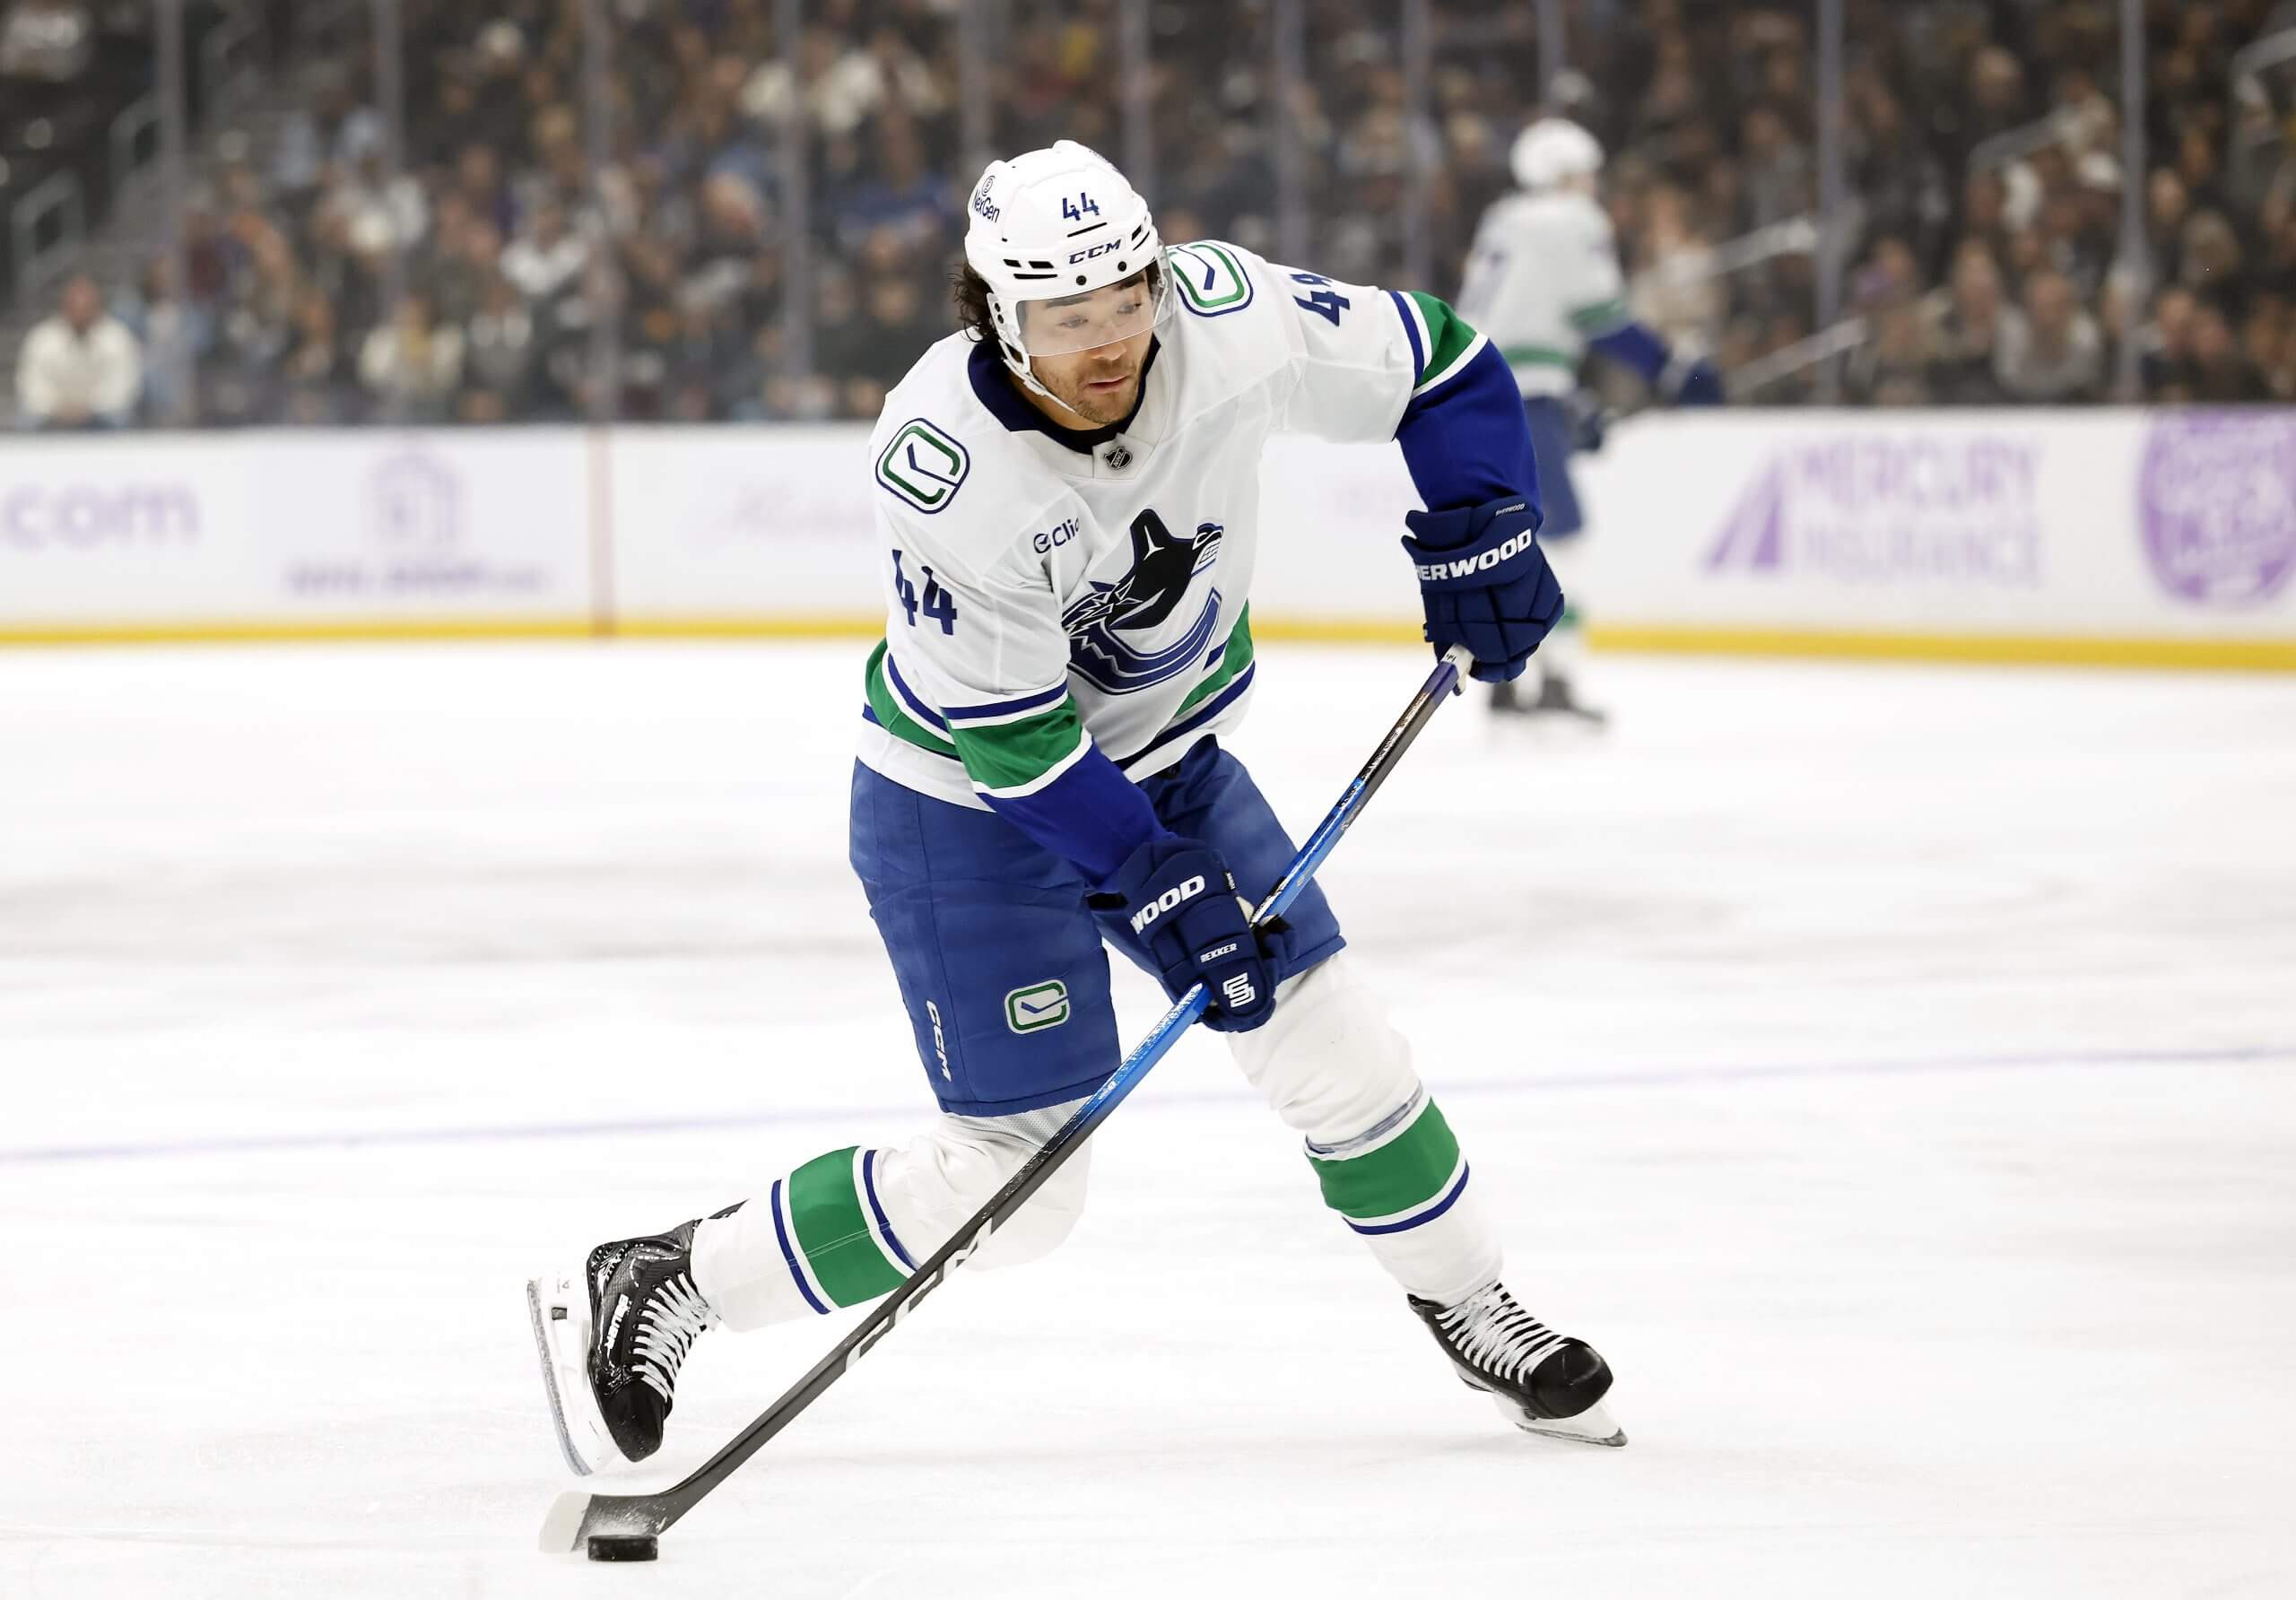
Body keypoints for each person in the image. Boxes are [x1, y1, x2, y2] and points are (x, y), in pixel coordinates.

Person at [528, 141, 1622, 1474]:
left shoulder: (1227, 316)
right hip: (970, 810)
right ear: (996, 311)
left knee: (1340, 1050)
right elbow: (1016, 740)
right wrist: (1154, 877)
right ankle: (680, 1275)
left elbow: (1441, 360)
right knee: (1019, 1176)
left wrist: (1485, 515)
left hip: (1171, 762)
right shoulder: (946, 464)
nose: (1112, 340)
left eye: (1127, 299)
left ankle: (1468, 1296)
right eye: (1068, 316)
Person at [1456, 117, 1723, 726]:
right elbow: (1602, 317)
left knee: (1509, 539)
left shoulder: (1503, 219)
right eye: (1585, 176)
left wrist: (1571, 401)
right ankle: (1556, 677)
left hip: (1479, 393)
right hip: (1526, 396)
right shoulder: (1569, 220)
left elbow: (1521, 320)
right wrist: (1671, 369)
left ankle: (1503, 680)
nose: (1594, 189)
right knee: (1565, 538)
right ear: (1563, 176)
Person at [13, 274, 143, 430]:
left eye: (86, 307)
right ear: (65, 307)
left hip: (101, 416)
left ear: (97, 307)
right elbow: (31, 384)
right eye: (75, 306)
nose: (80, 313)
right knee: (27, 419)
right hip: (52, 416)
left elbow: (122, 386)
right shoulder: (42, 338)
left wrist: (89, 409)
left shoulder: (117, 337)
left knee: (121, 418)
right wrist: (58, 408)